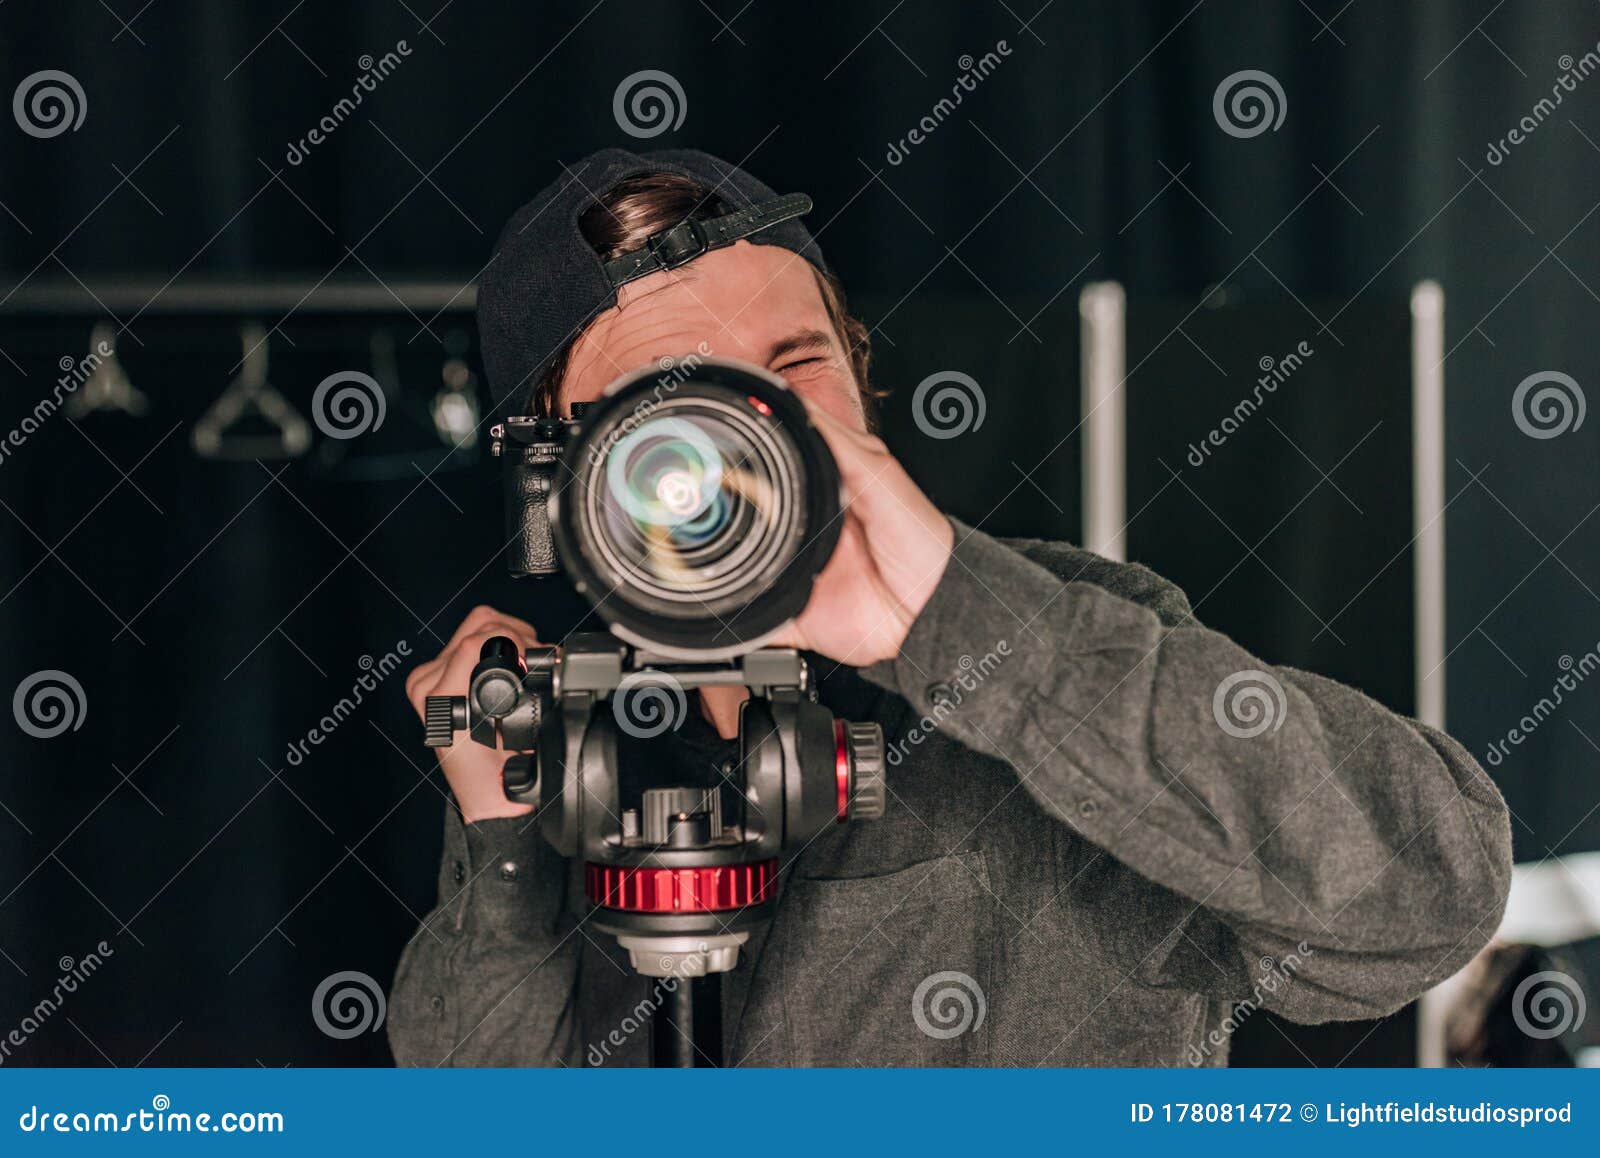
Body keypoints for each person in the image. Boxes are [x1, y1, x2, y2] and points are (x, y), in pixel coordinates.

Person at [389, 148, 1512, 1067]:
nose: (752, 431)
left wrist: (967, 630)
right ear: (554, 471)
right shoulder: (554, 728)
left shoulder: (1074, 627)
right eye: (673, 399)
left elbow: (1427, 899)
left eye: (792, 369)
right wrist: (504, 850)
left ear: (861, 379)